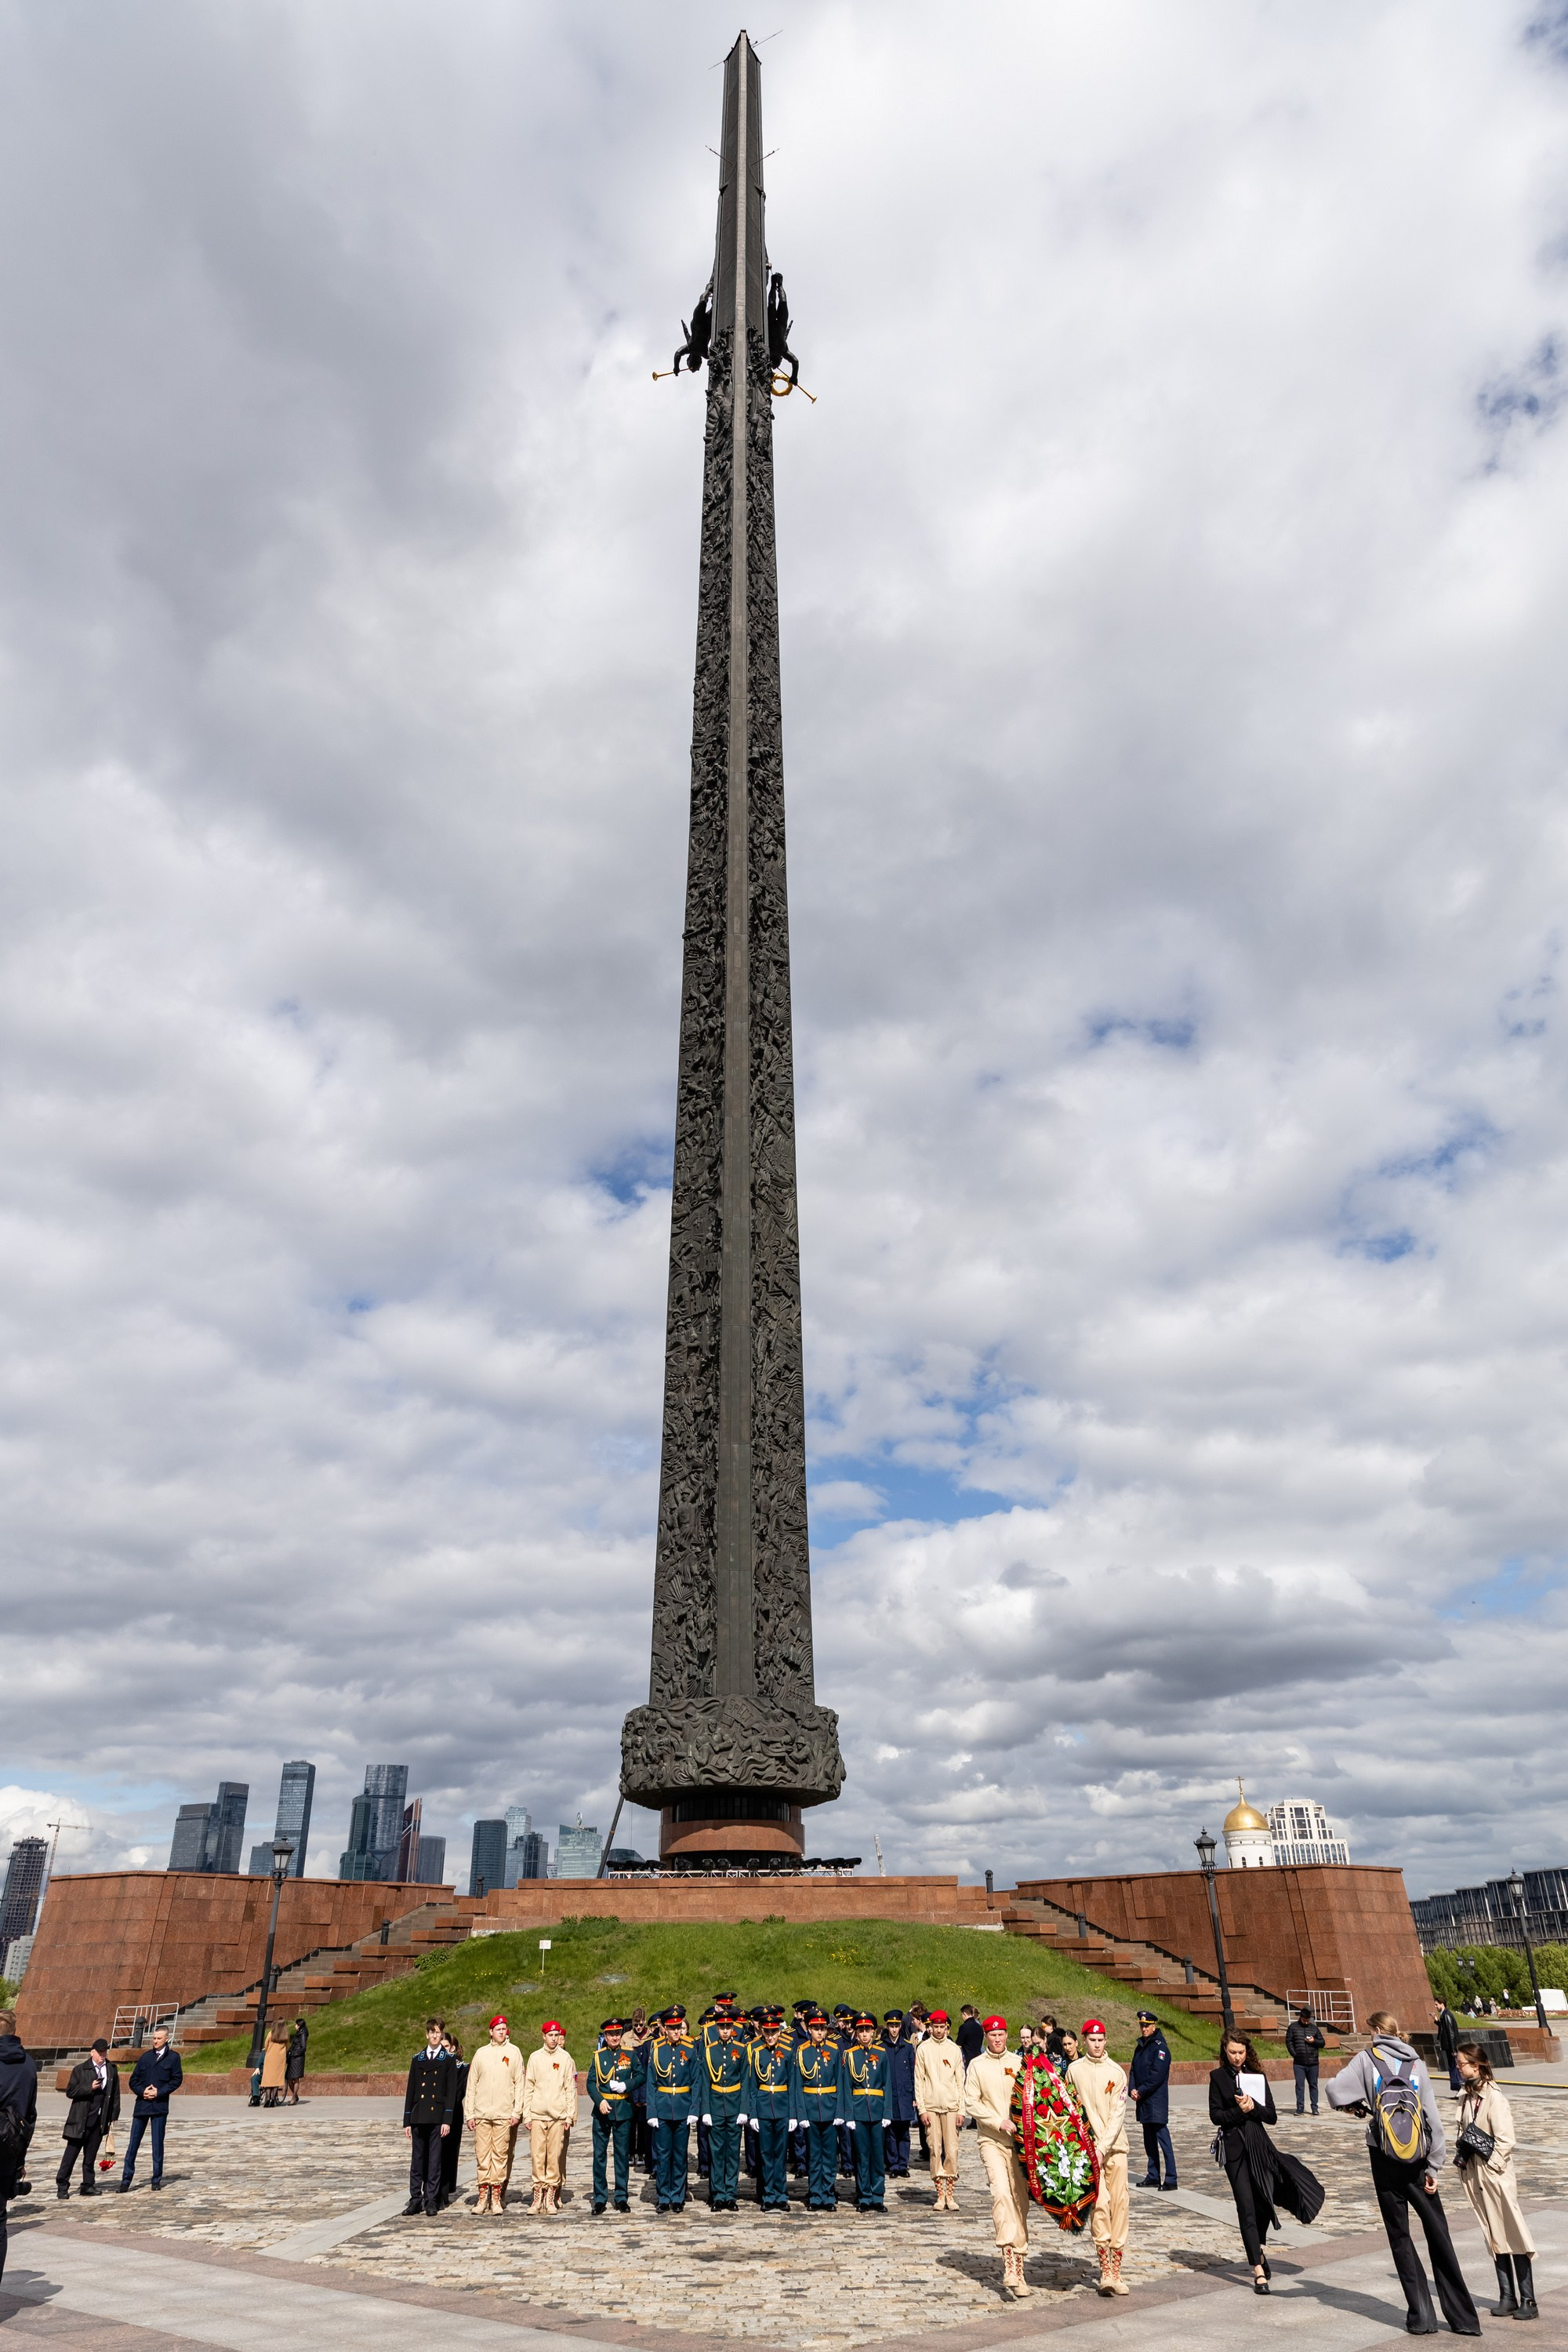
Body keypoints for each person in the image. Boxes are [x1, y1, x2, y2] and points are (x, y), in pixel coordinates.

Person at [1327, 2007, 1480, 2336]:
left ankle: (1421, 2317)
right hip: (1419, 2160)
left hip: (1383, 2157)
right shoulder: (1417, 2064)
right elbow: (1433, 2120)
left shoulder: (1366, 2060)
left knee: (1400, 2237)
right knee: (1439, 2234)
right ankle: (1464, 2319)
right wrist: (1434, 2165)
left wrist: (1356, 2106)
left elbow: (1334, 2091)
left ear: (1375, 2032)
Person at [1209, 2031, 1323, 2294]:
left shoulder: (1257, 2077)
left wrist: (1253, 2108)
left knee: (1262, 2203)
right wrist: (1239, 2111)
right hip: (1234, 2150)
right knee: (1246, 2206)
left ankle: (1258, 2250)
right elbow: (1216, 2116)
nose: (1237, 2057)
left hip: (1259, 2147)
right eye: (1232, 2053)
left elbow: (1271, 2116)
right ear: (1225, 2051)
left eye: (1241, 2052)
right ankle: (1258, 2271)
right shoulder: (1217, 2078)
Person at [1454, 2043, 1538, 2320]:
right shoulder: (1466, 2096)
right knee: (1493, 2234)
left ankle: (1529, 2300)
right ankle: (1507, 2296)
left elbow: (1506, 2140)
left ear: (1476, 2066)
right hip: (1477, 2177)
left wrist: (1492, 2167)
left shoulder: (1494, 2097)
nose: (1458, 2067)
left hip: (1496, 2177)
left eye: (1461, 2063)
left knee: (1513, 2233)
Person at [962, 2013, 1032, 2300]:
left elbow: (1032, 2097)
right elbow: (970, 2103)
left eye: (1002, 2034)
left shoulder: (1019, 2063)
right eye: (992, 2035)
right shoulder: (977, 2066)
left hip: (1019, 2145)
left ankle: (1020, 2264)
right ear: (986, 2038)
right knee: (1001, 2194)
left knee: (1020, 2201)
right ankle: (1009, 2264)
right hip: (991, 2140)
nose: (998, 2038)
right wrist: (997, 2121)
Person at [1067, 2019, 1130, 2296]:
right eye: (1092, 2040)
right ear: (1084, 2041)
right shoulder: (1074, 2070)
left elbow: (1118, 2115)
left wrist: (1103, 2147)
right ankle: (1106, 2270)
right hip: (1088, 2152)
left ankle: (1118, 2269)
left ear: (1106, 2041)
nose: (1096, 2044)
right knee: (1100, 2206)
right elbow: (1068, 2108)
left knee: (1120, 2206)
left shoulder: (1116, 2073)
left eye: (1101, 2039)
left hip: (1115, 2150)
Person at [465, 2013, 526, 2214]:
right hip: (482, 2114)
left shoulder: (514, 2052)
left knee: (500, 2156)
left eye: (504, 2029)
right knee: (482, 2156)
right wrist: (470, 2113)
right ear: (491, 2032)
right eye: (498, 2029)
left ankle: (497, 2197)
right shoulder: (481, 2053)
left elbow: (520, 2084)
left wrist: (517, 2111)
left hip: (503, 2114)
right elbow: (471, 2085)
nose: (502, 2032)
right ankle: (483, 2197)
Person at [401, 2016, 456, 2218]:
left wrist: (447, 2120)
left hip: (437, 2117)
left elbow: (451, 2092)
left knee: (434, 2162)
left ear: (442, 2034)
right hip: (419, 2116)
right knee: (417, 2161)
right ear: (427, 2035)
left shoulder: (448, 2060)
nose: (435, 2035)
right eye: (432, 2032)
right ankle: (415, 2198)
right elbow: (411, 2090)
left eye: (438, 2032)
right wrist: (407, 2120)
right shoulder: (418, 2059)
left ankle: (431, 2199)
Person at [790, 2010, 842, 2212]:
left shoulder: (835, 2050)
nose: (820, 2033)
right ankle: (814, 2193)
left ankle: (828, 2194)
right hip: (811, 2108)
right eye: (816, 2029)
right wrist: (801, 2114)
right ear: (809, 2029)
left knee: (829, 2155)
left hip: (829, 2107)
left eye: (822, 2029)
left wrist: (839, 2112)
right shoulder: (802, 2051)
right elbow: (797, 2086)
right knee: (813, 2155)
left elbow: (840, 2083)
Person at [648, 2007, 698, 2215]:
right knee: (663, 2155)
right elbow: (651, 2082)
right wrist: (651, 2112)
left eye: (679, 2027)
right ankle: (663, 2196)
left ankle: (677, 2196)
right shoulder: (657, 2048)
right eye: (672, 2028)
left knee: (679, 2155)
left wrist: (694, 2109)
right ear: (664, 2028)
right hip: (662, 2107)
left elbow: (696, 2080)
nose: (676, 2031)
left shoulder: (690, 2047)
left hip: (683, 2107)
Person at [120, 2023, 181, 2192]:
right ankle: (126, 2180)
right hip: (142, 2105)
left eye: (159, 2038)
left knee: (157, 2144)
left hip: (159, 2106)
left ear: (166, 2039)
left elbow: (176, 2080)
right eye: (154, 2038)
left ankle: (156, 2179)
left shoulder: (173, 2058)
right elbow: (134, 2080)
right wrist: (143, 2092)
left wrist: (159, 2092)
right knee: (133, 2144)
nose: (155, 2041)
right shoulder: (145, 2057)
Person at [524, 2019, 576, 2216]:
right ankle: (538, 2194)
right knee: (538, 2155)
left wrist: (569, 2116)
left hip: (557, 2116)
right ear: (543, 2036)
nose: (554, 2039)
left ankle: (551, 2195)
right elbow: (528, 2087)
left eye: (556, 2036)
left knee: (554, 2156)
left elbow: (569, 2089)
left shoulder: (565, 2058)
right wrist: (526, 2114)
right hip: (538, 2114)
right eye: (550, 2036)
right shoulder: (535, 2057)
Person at [913, 2009, 964, 2210]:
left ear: (947, 2028)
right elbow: (919, 2080)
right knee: (935, 2149)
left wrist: (962, 2109)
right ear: (930, 2027)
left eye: (942, 2027)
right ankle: (939, 2193)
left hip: (951, 2106)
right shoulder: (923, 2049)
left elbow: (961, 2081)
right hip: (931, 2106)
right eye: (935, 2027)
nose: (939, 2030)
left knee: (952, 2150)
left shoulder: (954, 2049)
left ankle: (950, 2192)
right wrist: (922, 2109)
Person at [57, 2038, 119, 2200]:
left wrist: (113, 2116)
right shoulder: (80, 2069)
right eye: (99, 2053)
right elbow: (70, 2091)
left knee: (90, 2156)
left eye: (105, 2052)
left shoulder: (111, 2069)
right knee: (71, 2155)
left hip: (99, 2120)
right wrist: (89, 2088)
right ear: (92, 2052)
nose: (102, 2056)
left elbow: (115, 2095)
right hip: (80, 2120)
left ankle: (88, 2185)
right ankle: (62, 2185)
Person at [840, 2013, 889, 2215]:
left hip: (877, 2110)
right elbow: (846, 2087)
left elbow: (887, 2085)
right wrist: (849, 2115)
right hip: (859, 2110)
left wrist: (887, 2112)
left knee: (878, 2156)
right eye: (861, 2031)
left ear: (874, 2032)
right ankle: (863, 2196)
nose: (865, 2034)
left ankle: (877, 2196)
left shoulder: (882, 2054)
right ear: (857, 2033)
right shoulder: (850, 2055)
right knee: (862, 2155)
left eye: (868, 2030)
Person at [746, 2008, 793, 2212]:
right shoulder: (756, 2053)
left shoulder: (789, 2052)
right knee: (765, 2154)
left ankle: (780, 2194)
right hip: (764, 2107)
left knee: (780, 2154)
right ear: (762, 2032)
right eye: (767, 2032)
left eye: (774, 2032)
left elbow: (794, 2084)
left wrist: (793, 2114)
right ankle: (767, 2194)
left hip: (782, 2106)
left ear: (779, 2032)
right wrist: (753, 2113)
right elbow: (753, 2085)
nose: (771, 2036)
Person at [588, 2017, 637, 2215]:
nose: (614, 2037)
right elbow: (591, 2082)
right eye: (610, 2034)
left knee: (621, 2155)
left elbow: (641, 2075)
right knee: (600, 2156)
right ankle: (600, 2198)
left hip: (623, 2109)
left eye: (617, 2033)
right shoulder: (599, 2056)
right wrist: (599, 2100)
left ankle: (621, 2196)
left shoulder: (630, 2054)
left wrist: (627, 2085)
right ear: (605, 2036)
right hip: (603, 2111)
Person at [702, 2011, 747, 2212]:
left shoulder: (741, 2049)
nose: (726, 2031)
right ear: (717, 2029)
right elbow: (705, 2082)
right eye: (722, 2028)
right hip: (716, 2105)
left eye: (729, 2028)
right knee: (717, 2151)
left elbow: (746, 2081)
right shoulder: (709, 2050)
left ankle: (731, 2194)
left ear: (734, 2029)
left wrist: (744, 2109)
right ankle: (718, 2193)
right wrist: (706, 2110)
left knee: (732, 2153)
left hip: (735, 2104)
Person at [1128, 2010, 1176, 2190]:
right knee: (1149, 2141)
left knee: (1163, 2141)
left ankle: (1171, 2178)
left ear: (1154, 2026)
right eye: (1141, 2025)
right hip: (1143, 2102)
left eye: (1147, 2025)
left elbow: (1157, 2076)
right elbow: (1133, 2069)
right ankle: (1153, 2175)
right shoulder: (1140, 2047)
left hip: (1155, 2101)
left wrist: (1140, 2091)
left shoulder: (1160, 2047)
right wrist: (1132, 2088)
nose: (1144, 2028)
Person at [882, 2010, 916, 2180]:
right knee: (890, 2132)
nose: (894, 2029)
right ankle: (893, 2164)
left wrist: (915, 2096)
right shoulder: (881, 2046)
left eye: (896, 2026)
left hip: (904, 2094)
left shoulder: (908, 2047)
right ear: (887, 2027)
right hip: (889, 2095)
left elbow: (913, 2074)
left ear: (900, 2026)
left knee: (904, 2132)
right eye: (891, 2026)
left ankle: (903, 2164)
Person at [440, 2029, 468, 2209]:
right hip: (435, 2115)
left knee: (449, 2153)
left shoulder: (461, 2067)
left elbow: (459, 2092)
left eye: (447, 2047)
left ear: (454, 2048)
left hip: (453, 2114)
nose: (444, 2050)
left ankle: (445, 2192)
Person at [1287, 2006, 1327, 2114]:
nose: (1306, 2022)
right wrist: (1295, 2054)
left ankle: (1314, 2107)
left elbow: (1322, 2043)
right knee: (1300, 2085)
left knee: (1313, 2085)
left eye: (1308, 2020)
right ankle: (1300, 2107)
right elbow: (1289, 2042)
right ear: (1300, 2017)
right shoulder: (1293, 2028)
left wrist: (1314, 2041)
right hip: (1299, 2063)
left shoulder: (1314, 2028)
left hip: (1313, 2062)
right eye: (1304, 2020)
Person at [1435, 2003, 1462, 2095]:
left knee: (1455, 2068)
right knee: (1454, 2068)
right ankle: (1459, 2090)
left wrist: (1453, 2049)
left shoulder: (1446, 2015)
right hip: (1450, 2047)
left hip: (1451, 2048)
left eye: (1436, 2004)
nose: (1435, 2006)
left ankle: (1460, 2089)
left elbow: (1451, 2033)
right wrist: (1436, 2021)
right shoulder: (1445, 2015)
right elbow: (1444, 2027)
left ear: (1442, 2004)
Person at [260, 2021, 289, 2107]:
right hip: (280, 2059)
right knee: (277, 2079)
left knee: (268, 2079)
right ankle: (273, 2099)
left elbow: (266, 2044)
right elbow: (287, 2046)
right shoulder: (285, 2034)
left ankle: (268, 2099)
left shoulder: (271, 2033)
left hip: (270, 2058)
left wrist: (268, 2051)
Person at [285, 2016, 308, 2105]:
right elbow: (293, 2045)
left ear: (299, 2025)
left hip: (298, 2059)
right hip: (293, 2058)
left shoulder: (303, 2034)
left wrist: (295, 2053)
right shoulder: (299, 2033)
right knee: (289, 2078)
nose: (295, 2026)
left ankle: (294, 2097)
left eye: (296, 2024)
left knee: (296, 2078)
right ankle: (295, 2095)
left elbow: (303, 2047)